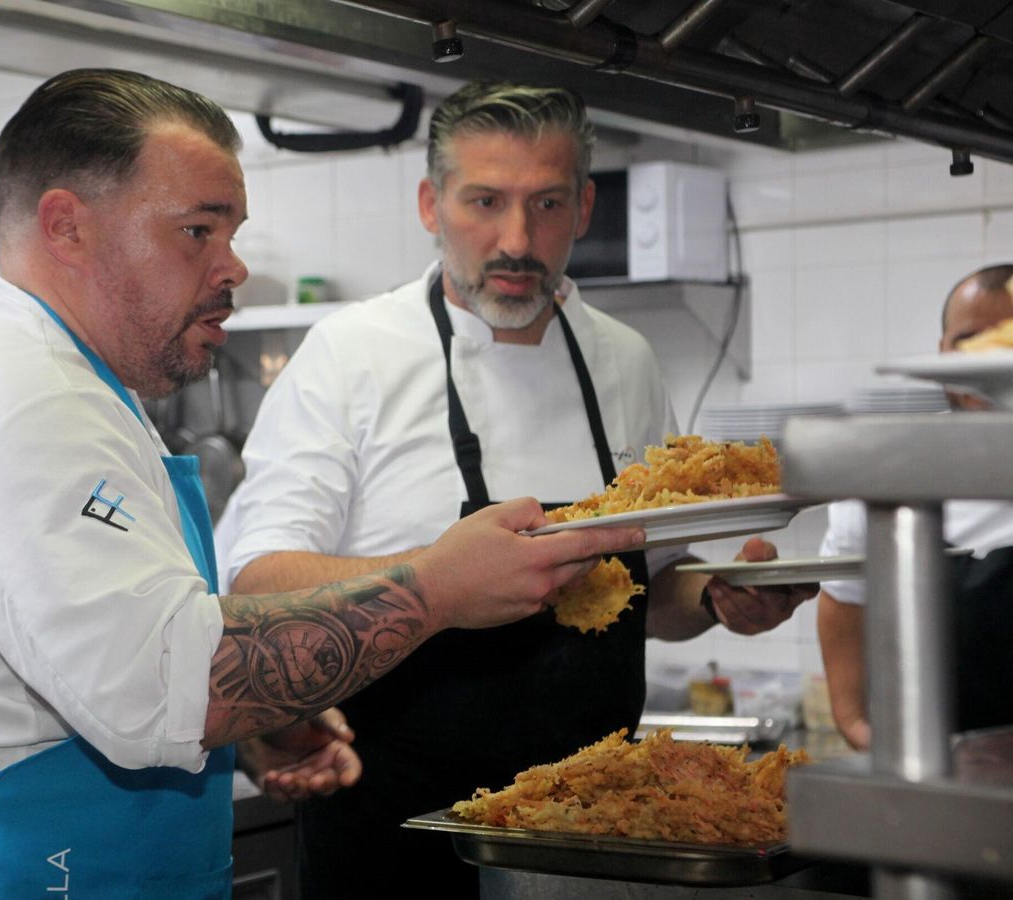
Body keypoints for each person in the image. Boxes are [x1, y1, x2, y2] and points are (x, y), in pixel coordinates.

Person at [0, 69, 644, 900]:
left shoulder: (79, 388)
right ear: (66, 226)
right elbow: (172, 687)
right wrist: (438, 586)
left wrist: (257, 720)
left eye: (231, 233)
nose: (233, 266)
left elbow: (122, 651)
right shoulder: (24, 401)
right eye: (198, 231)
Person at [215, 80, 819, 898]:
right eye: (485, 202)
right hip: (392, 834)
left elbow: (651, 589)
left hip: (591, 839)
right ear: (430, 205)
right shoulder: (351, 354)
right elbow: (257, 585)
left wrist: (717, 597)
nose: (516, 239)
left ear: (584, 208)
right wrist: (439, 578)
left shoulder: (625, 360)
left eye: (547, 204)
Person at [817, 264, 1013, 751]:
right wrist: (860, 727)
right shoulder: (889, 477)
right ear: (942, 352)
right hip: (944, 780)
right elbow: (844, 600)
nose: (988, 359)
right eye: (969, 341)